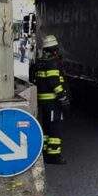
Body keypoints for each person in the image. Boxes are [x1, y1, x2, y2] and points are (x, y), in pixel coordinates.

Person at [30, 35, 70, 165]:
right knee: (55, 128)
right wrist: (63, 97)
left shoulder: (40, 62)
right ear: (54, 49)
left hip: (44, 101)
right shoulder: (52, 63)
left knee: (47, 126)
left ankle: (46, 151)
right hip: (53, 101)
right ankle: (54, 156)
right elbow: (54, 83)